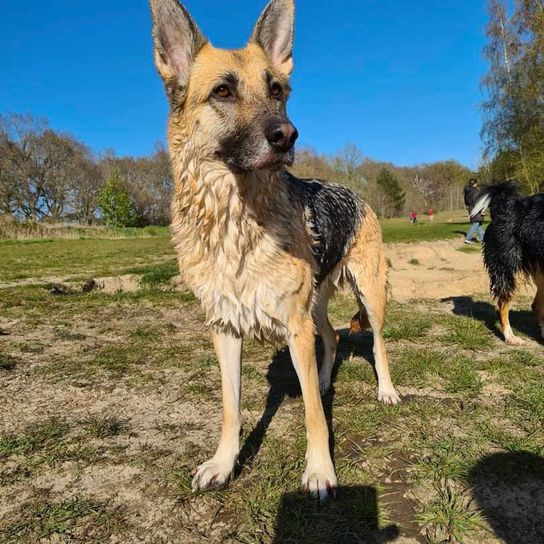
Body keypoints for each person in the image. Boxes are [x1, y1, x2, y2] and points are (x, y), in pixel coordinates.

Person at [463, 178, 484, 244]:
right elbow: (477, 201)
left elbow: (466, 201)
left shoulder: (467, 191)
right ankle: (468, 238)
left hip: (470, 207)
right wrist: (481, 210)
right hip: (475, 208)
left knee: (478, 223)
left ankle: (482, 238)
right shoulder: (475, 191)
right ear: (475, 183)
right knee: (476, 223)